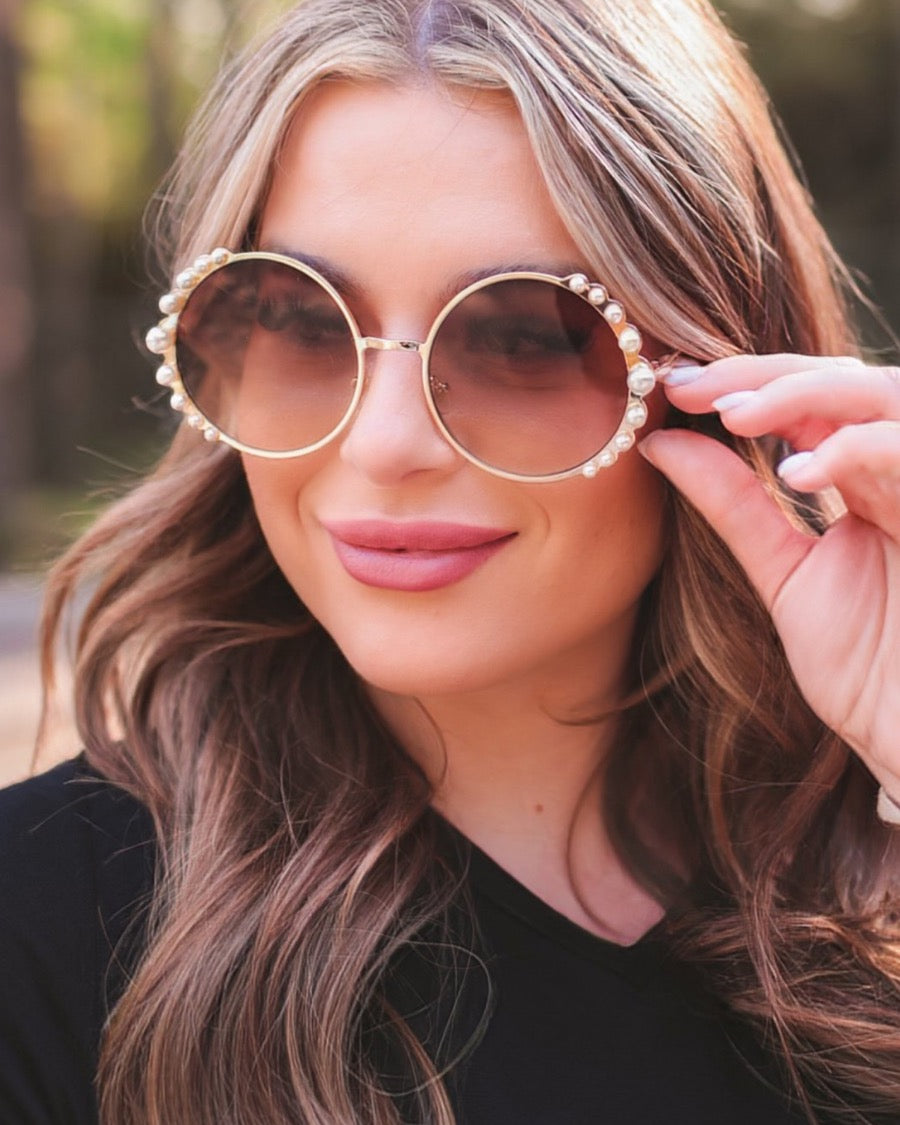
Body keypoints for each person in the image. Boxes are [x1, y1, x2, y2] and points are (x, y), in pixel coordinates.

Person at [2, 0, 899, 1122]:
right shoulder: (40, 929)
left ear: (723, 381)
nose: (383, 445)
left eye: (523, 332)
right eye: (299, 319)